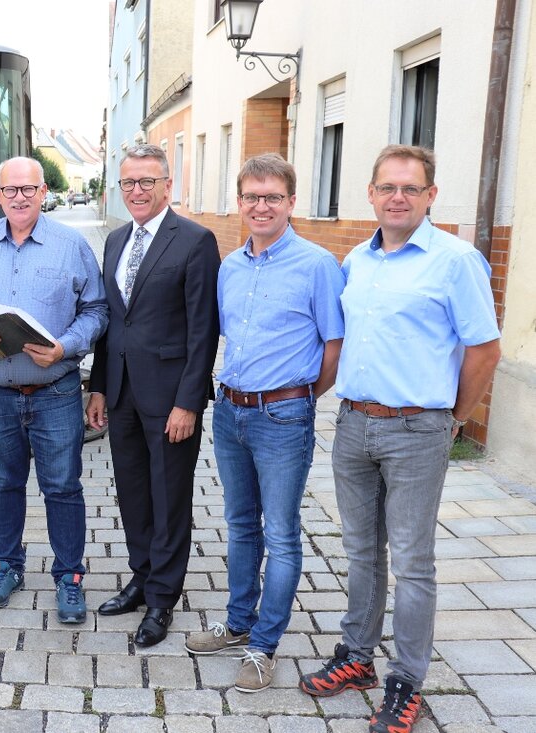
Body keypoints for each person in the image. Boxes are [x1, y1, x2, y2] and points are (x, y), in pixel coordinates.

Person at [299, 145, 500, 733]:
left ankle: (406, 681)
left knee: (413, 564)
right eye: (388, 187)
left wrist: (451, 419)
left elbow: (484, 349)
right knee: (361, 551)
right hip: (354, 423)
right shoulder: (357, 260)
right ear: (370, 193)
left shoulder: (455, 261)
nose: (398, 197)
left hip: (418, 428)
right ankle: (356, 658)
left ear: (431, 196)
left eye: (411, 189)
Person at [184, 154, 345, 692]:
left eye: (272, 197)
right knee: (240, 525)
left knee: (280, 532)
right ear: (240, 200)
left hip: (283, 415)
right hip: (230, 412)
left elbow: (334, 345)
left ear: (291, 202)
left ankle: (264, 645)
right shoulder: (230, 266)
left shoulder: (318, 264)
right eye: (251, 196)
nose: (261, 206)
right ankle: (237, 623)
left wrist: (298, 398)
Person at [0, 156, 107, 624]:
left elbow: (96, 311)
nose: (19, 197)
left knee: (62, 487)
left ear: (43, 193)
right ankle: (7, 567)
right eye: (10, 190)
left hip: (54, 391)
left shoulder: (70, 245)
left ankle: (69, 577)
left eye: (28, 190)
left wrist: (66, 346)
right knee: (2, 484)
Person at [86, 143, 220, 647]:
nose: (137, 191)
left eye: (147, 182)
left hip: (170, 400)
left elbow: (203, 331)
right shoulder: (117, 240)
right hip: (120, 393)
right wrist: (98, 386)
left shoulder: (194, 241)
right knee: (134, 494)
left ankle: (163, 597)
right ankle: (141, 578)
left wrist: (189, 401)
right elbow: (110, 323)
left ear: (168, 185)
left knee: (170, 499)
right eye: (128, 183)